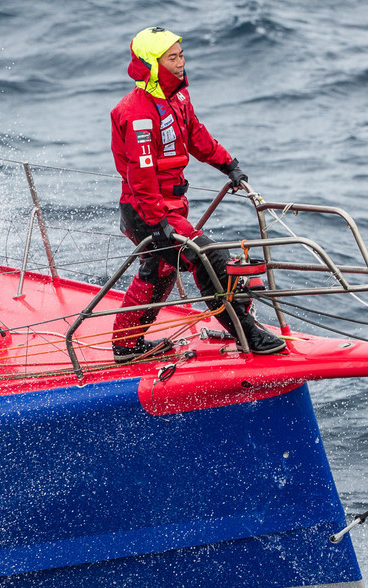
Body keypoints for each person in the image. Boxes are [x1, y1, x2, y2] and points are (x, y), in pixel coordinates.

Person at [109, 26, 287, 362]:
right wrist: (158, 221)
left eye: (181, 55)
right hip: (147, 210)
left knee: (159, 272)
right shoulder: (137, 114)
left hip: (169, 206)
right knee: (209, 259)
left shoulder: (178, 99)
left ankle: (126, 345)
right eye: (172, 58)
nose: (181, 63)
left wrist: (229, 165)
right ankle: (247, 334)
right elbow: (142, 176)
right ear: (152, 64)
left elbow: (196, 136)